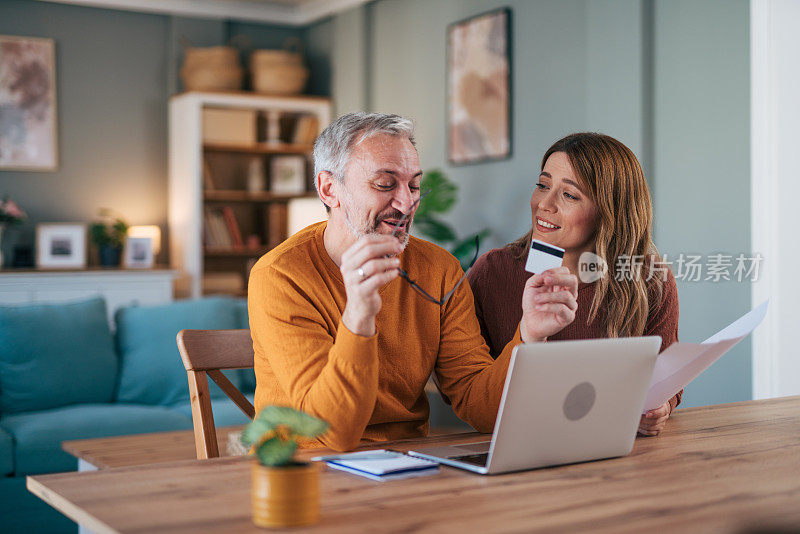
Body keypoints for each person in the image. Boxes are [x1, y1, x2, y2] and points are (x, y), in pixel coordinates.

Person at [248, 112, 577, 451]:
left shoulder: (438, 269)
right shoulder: (281, 276)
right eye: (385, 184)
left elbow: (481, 406)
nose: (407, 203)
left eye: (414, 185)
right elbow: (332, 433)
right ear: (330, 189)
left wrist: (531, 335)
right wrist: (359, 317)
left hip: (408, 467)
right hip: (303, 473)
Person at [467, 132, 681, 437]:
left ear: (610, 210)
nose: (544, 203)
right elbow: (467, 392)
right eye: (543, 185)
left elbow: (667, 375)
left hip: (614, 451)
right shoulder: (492, 273)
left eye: (569, 195)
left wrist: (661, 406)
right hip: (518, 449)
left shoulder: (649, 279)